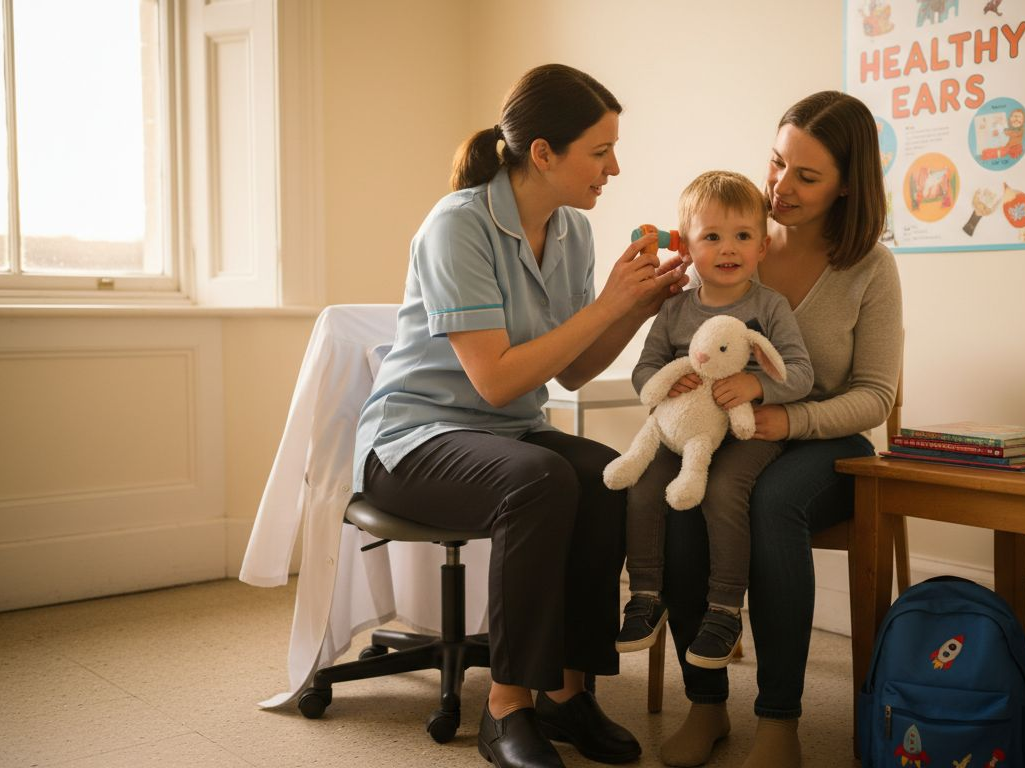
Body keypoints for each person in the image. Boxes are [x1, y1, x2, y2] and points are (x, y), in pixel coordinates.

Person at [351, 64, 687, 768]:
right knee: (540, 478)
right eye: (600, 152)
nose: (614, 168)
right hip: (415, 443)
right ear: (543, 153)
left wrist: (634, 307)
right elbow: (498, 380)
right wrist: (605, 304)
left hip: (504, 438)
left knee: (605, 474)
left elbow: (570, 370)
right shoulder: (458, 226)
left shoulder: (570, 231)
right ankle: (507, 707)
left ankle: (568, 695)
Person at [657, 92, 903, 768]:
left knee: (771, 507)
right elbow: (685, 332)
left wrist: (788, 418)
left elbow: (875, 396)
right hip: (731, 433)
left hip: (826, 443)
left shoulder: (871, 268)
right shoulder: (740, 243)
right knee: (681, 501)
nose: (779, 187)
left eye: (806, 176)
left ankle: (777, 720)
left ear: (848, 184)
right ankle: (705, 705)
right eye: (776, 164)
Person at [612, 171, 813, 670]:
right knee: (640, 485)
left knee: (724, 491)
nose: (729, 249)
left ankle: (725, 608)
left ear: (762, 246)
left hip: (745, 431)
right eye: (713, 237)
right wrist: (660, 385)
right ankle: (645, 594)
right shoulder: (676, 308)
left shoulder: (770, 306)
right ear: (688, 247)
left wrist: (756, 385)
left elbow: (801, 374)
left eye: (743, 236)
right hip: (681, 430)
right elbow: (645, 368)